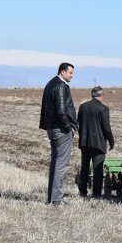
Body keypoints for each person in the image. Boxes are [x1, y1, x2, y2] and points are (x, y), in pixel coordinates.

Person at [39, 62, 78, 205]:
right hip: (61, 130)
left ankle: (53, 198)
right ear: (62, 72)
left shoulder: (51, 83)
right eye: (70, 73)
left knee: (56, 163)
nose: (72, 76)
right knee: (62, 164)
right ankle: (56, 200)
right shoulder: (61, 86)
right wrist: (69, 128)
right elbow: (61, 111)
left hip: (52, 128)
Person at [76, 86, 115, 198]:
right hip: (98, 144)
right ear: (101, 96)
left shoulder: (83, 107)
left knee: (84, 168)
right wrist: (111, 141)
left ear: (92, 95)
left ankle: (82, 192)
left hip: (85, 143)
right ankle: (96, 194)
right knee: (98, 170)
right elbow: (106, 128)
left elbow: (80, 123)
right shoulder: (103, 109)